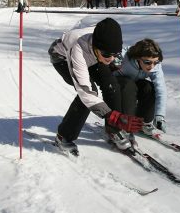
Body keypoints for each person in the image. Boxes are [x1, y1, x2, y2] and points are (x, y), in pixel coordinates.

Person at [48, 18, 143, 155]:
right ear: (96, 47)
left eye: (114, 54)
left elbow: (110, 52)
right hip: (62, 57)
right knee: (88, 93)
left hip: (94, 56)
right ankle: (63, 137)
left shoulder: (106, 37)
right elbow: (85, 92)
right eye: (107, 55)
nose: (110, 59)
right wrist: (113, 116)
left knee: (111, 84)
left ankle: (113, 130)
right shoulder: (78, 50)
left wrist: (110, 57)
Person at [112, 39, 167, 136]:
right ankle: (124, 123)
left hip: (133, 84)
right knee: (128, 85)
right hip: (116, 86)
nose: (152, 66)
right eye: (147, 62)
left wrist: (160, 115)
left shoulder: (155, 67)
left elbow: (161, 90)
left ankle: (143, 122)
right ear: (138, 58)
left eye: (156, 62)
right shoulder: (124, 58)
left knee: (149, 88)